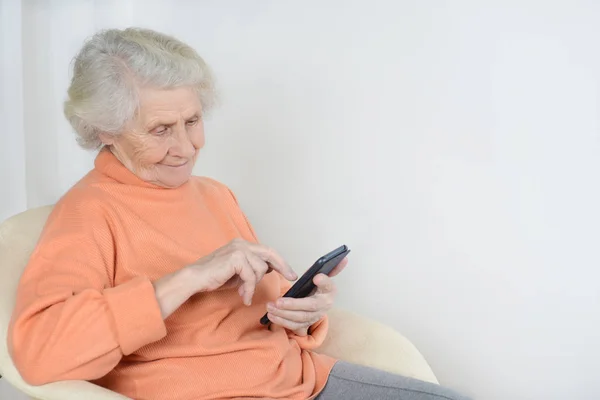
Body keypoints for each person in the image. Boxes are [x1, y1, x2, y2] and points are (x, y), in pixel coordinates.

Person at [8, 28, 469, 400]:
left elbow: (259, 315)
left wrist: (301, 313)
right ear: (105, 131)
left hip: (299, 382)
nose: (187, 148)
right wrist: (187, 279)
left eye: (192, 121)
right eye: (161, 130)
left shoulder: (213, 195)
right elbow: (40, 353)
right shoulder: (88, 213)